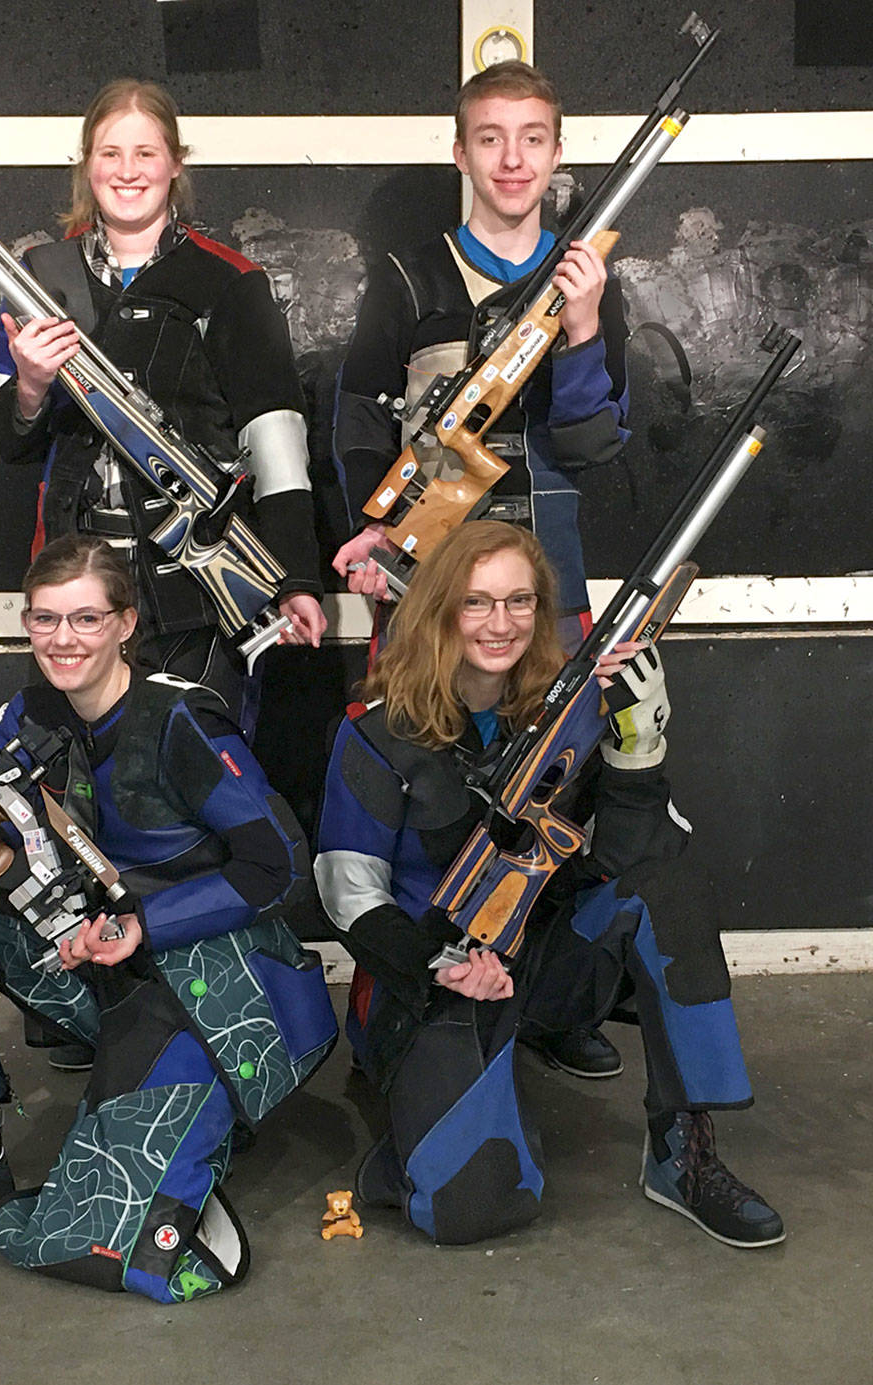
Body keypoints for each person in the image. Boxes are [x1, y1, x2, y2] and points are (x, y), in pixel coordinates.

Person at [0, 535, 337, 1303]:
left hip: (213, 988)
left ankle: (208, 1103)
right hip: (98, 962)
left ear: (126, 623)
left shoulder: (181, 720)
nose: (63, 639)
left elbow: (280, 865)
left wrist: (146, 925)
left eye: (87, 618)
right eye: (45, 619)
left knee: (100, 1235)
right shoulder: (25, 715)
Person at [313, 521, 784, 1250]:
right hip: (430, 979)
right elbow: (349, 895)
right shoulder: (378, 732)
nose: (500, 623)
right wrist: (441, 966)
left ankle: (684, 1153)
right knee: (472, 1208)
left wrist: (639, 744)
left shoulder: (564, 713)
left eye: (519, 601)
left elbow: (637, 852)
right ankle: (417, 1138)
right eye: (476, 602)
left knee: (668, 884)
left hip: (542, 965)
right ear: (439, 608)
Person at [332, 59, 630, 1078]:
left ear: (555, 152)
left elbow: (592, 446)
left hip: (548, 576)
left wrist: (581, 328)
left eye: (532, 138)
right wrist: (373, 529)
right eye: (490, 137)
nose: (511, 158)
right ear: (459, 153)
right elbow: (356, 414)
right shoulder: (410, 275)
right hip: (426, 577)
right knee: (426, 779)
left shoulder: (583, 276)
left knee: (563, 779)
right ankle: (416, 982)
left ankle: (552, 994)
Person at [0, 78, 326, 737]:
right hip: (74, 592)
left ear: (175, 163)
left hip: (195, 591)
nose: (128, 171)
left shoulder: (230, 281)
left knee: (197, 774)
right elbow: (4, 434)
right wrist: (28, 384)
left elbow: (277, 445)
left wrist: (294, 579)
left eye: (145, 152)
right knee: (79, 778)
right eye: (110, 153)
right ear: (87, 164)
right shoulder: (38, 273)